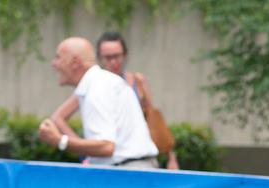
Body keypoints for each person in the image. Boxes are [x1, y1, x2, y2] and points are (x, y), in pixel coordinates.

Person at [49, 32, 179, 170]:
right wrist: (84, 150)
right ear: (99, 59)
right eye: (107, 57)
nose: (113, 62)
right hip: (126, 165)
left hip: (129, 167)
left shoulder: (113, 85)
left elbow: (152, 121)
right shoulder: (95, 86)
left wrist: (62, 141)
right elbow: (57, 118)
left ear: (125, 55)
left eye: (117, 56)